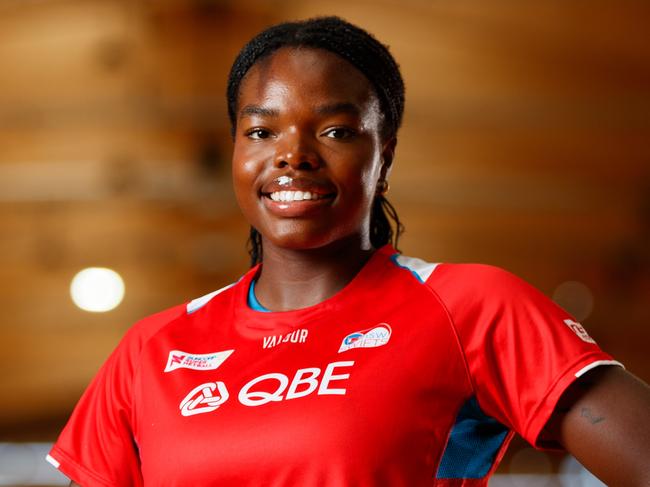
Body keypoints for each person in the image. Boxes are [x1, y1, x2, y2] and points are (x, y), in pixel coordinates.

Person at [48, 16, 650, 487]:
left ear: (383, 157)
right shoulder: (151, 351)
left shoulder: (468, 307)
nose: (293, 154)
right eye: (261, 131)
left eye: (335, 130)